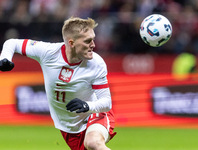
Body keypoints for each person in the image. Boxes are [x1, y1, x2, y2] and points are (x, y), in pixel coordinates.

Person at [0, 17, 116, 150]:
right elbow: (12, 43)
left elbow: (106, 103)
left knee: (93, 143)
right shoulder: (48, 52)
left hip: (95, 112)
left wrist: (86, 105)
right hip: (69, 126)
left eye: (93, 39)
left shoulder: (97, 64)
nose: (93, 45)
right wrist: (4, 58)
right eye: (87, 41)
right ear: (71, 43)